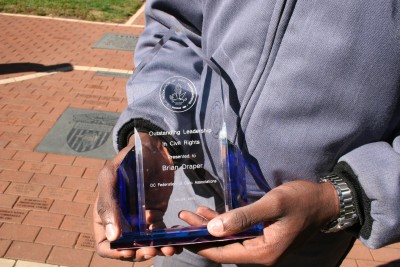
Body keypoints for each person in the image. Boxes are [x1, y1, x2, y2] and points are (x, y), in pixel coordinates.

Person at [93, 1, 400, 266]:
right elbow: (176, 27)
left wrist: (343, 196)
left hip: (309, 227)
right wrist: (150, 133)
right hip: (184, 191)